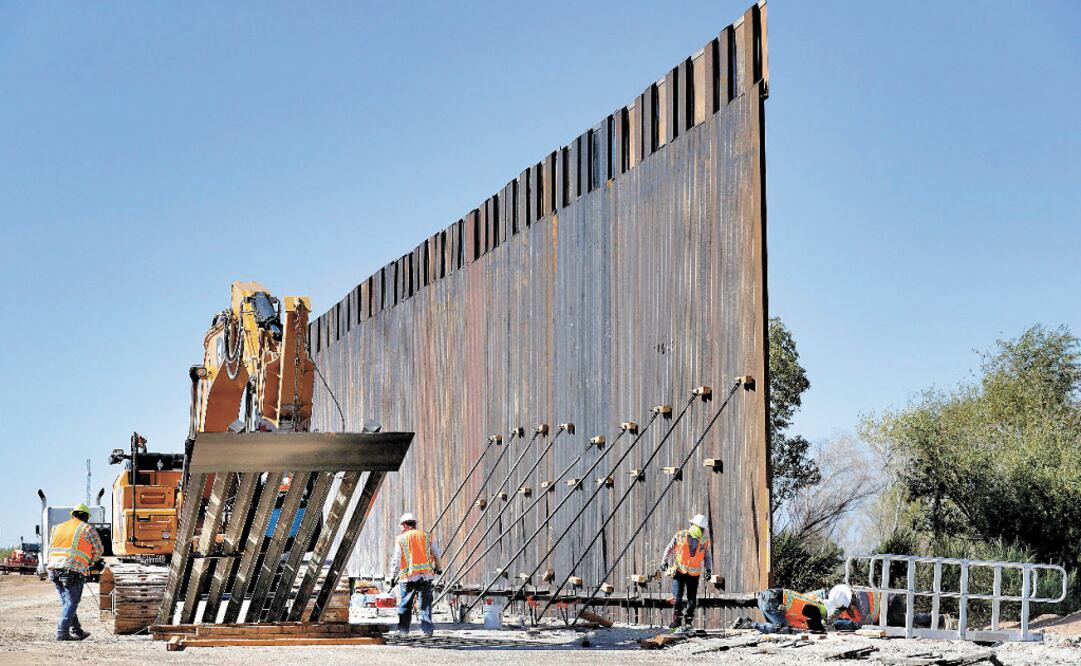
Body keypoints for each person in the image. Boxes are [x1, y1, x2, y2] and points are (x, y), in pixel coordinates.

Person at [46, 503, 104, 641]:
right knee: (71, 602)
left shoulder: (57, 528)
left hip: (53, 568)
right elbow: (98, 550)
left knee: (67, 602)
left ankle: (77, 630)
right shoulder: (87, 528)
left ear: (73, 515)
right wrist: (90, 562)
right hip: (72, 570)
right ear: (86, 517)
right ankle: (62, 633)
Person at [391, 512, 442, 637]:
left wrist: (393, 576)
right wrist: (439, 568)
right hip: (425, 577)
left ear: (404, 525)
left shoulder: (401, 539)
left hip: (408, 578)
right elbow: (436, 554)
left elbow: (396, 560)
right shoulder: (427, 537)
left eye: (401, 526)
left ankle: (403, 631)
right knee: (425, 605)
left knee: (405, 605)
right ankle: (427, 630)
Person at [660, 513, 713, 630]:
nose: (702, 531)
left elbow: (707, 557)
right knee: (677, 598)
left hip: (694, 574)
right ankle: (677, 620)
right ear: (694, 525)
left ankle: (688, 621)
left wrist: (708, 569)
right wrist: (664, 561)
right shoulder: (680, 535)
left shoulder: (705, 541)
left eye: (703, 529)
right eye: (701, 528)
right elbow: (669, 548)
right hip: (679, 571)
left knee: (692, 600)